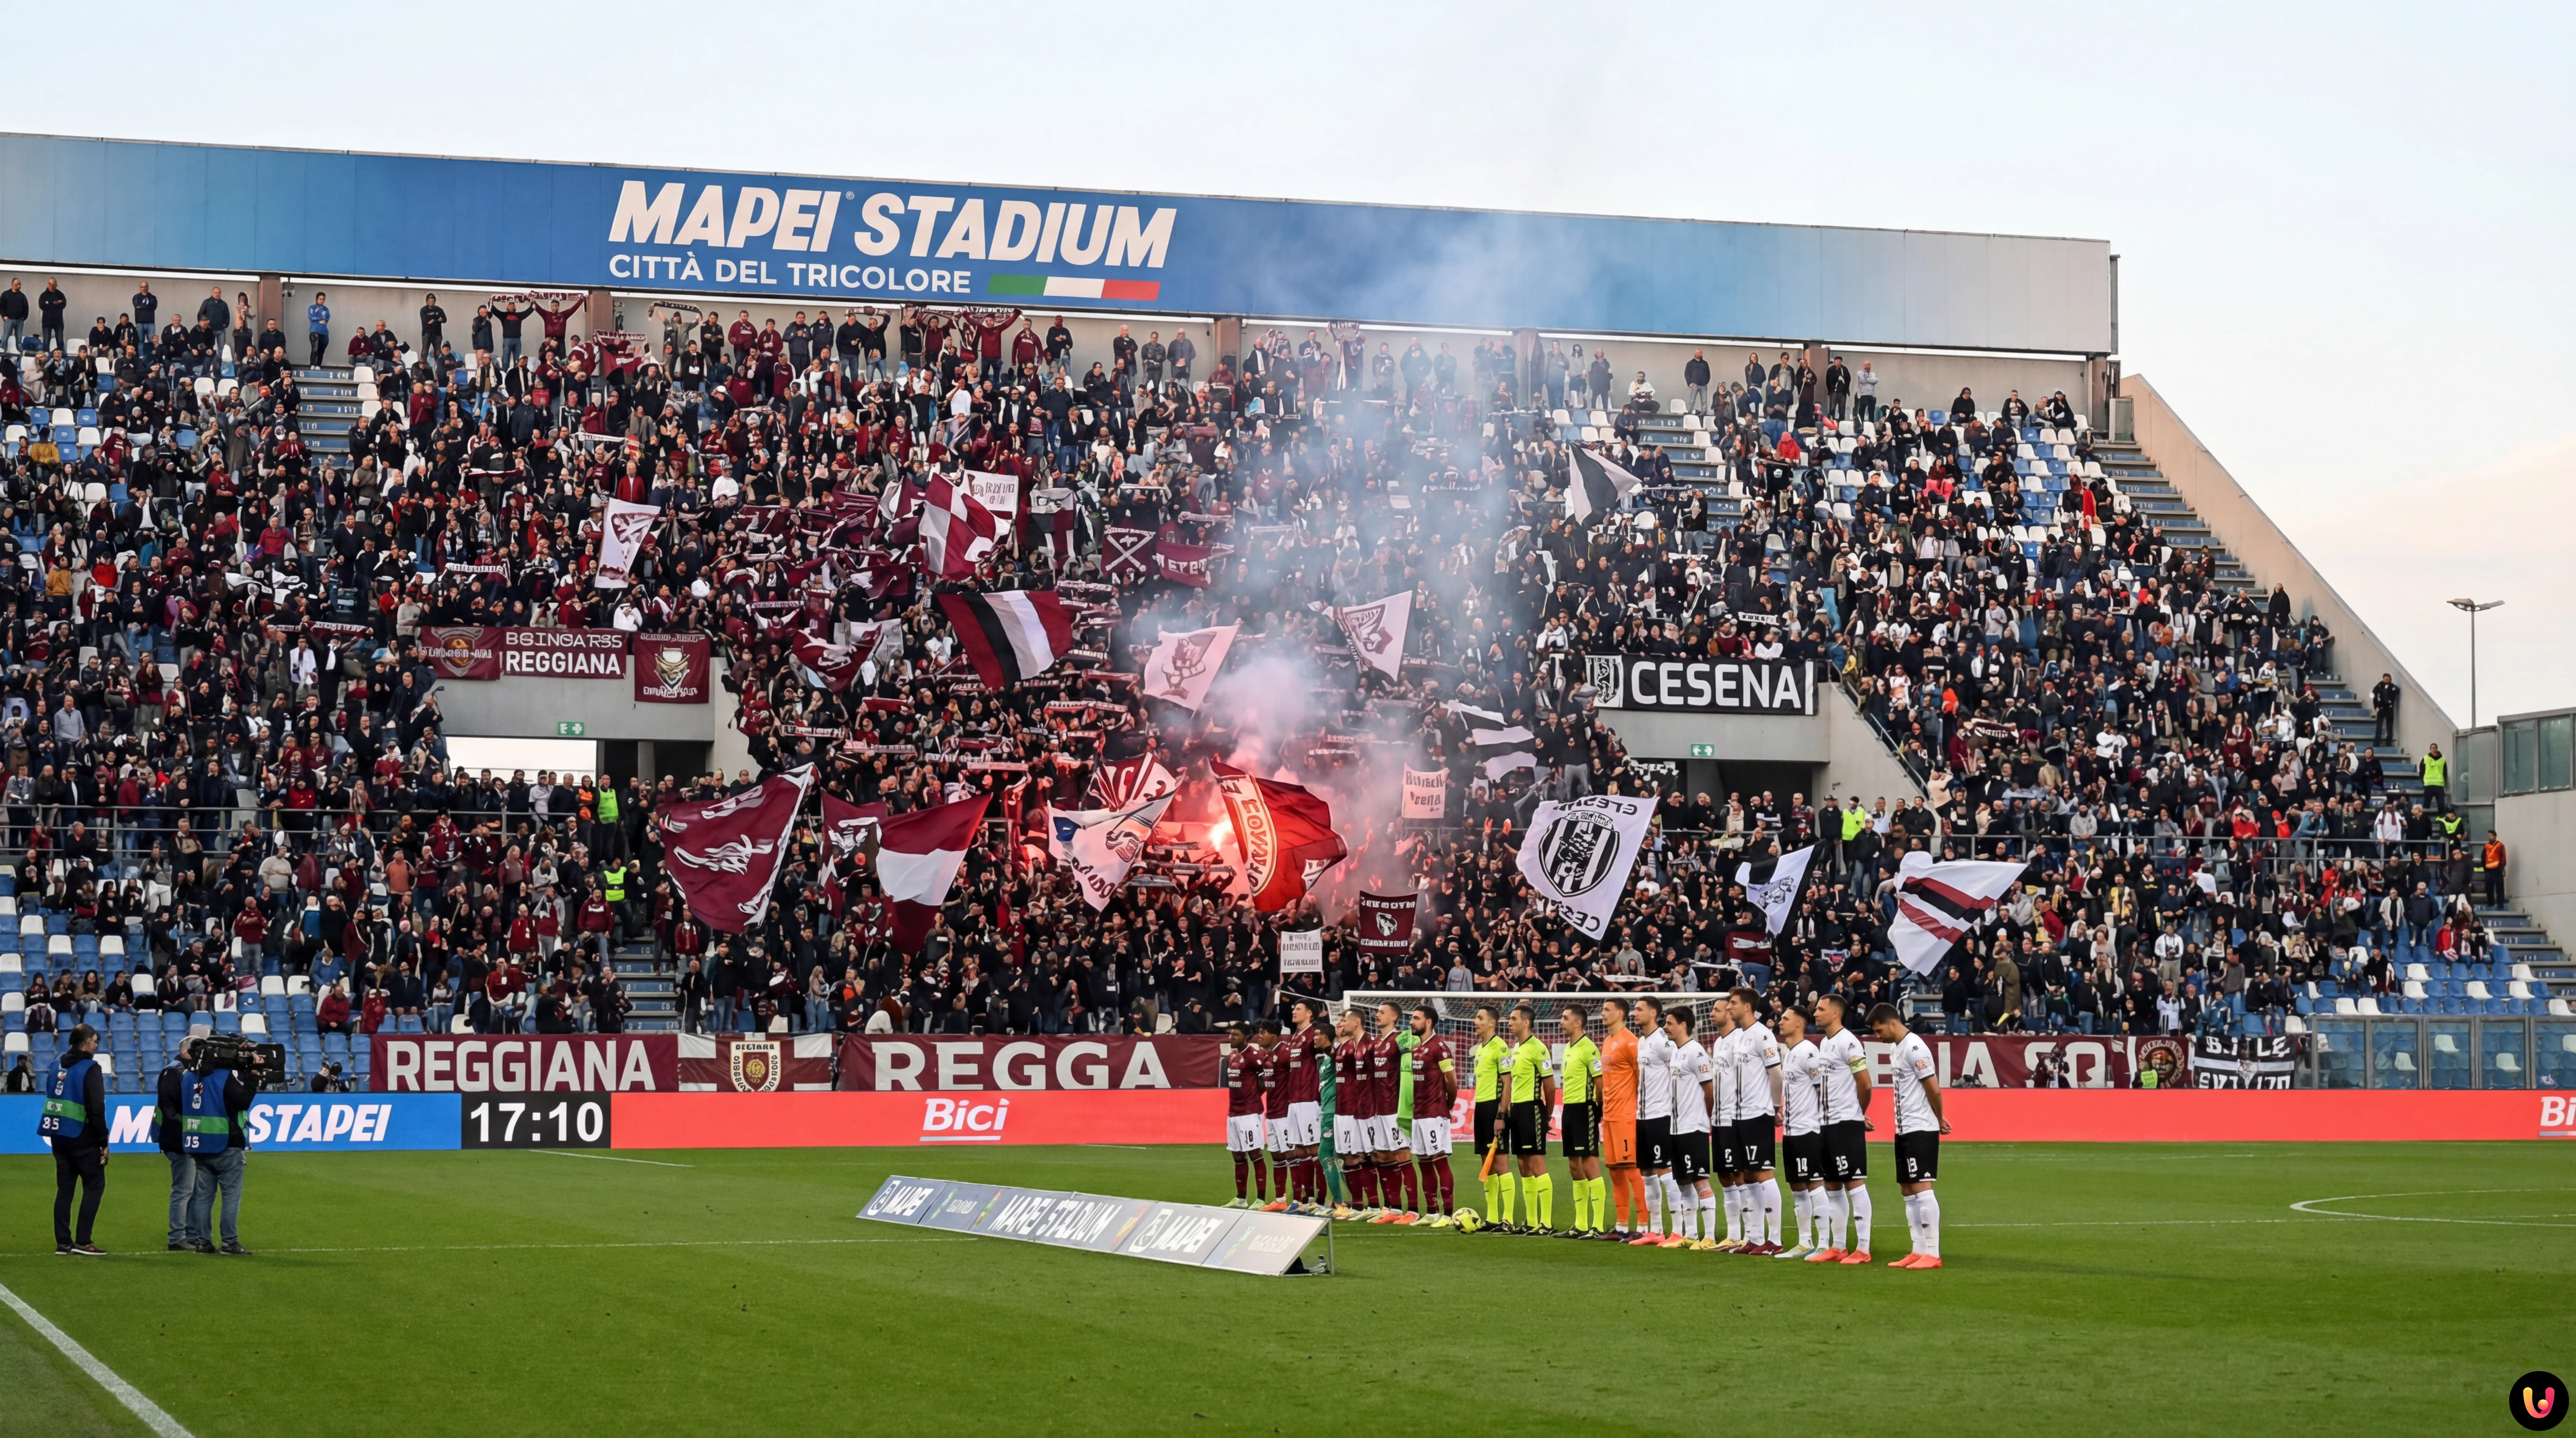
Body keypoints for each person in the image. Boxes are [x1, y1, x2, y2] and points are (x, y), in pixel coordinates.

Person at [1870, 1003, 1950, 1268]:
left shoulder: (1915, 1048)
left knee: (1922, 1186)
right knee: (1907, 1188)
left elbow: (1933, 1089)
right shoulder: (1897, 1048)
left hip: (1920, 1127)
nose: (1878, 1037)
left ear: (1892, 1023)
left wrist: (1939, 1119)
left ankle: (1933, 1253)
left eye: (1880, 1031)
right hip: (1904, 1128)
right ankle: (1918, 1249)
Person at [1808, 993, 1876, 1264]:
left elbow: (1865, 1083)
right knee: (1832, 1184)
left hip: (1845, 1122)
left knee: (1853, 1183)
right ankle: (1838, 1247)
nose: (1815, 1013)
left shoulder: (1849, 1042)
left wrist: (1858, 1113)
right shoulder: (1825, 1043)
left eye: (1821, 1009)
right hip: (1826, 1123)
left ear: (1835, 1013)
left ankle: (1864, 1249)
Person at [41, 1022, 109, 1255]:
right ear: (87, 1042)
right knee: (95, 1185)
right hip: (83, 1135)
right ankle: (83, 1241)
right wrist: (103, 1142)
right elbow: (96, 1108)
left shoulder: (55, 1064)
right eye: (96, 1041)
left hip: (58, 1135)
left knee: (65, 1190)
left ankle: (63, 1243)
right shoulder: (91, 1068)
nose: (97, 1046)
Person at [180, 1048, 256, 1255]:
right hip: (226, 1142)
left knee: (204, 1197)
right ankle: (230, 1243)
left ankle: (203, 1242)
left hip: (199, 1142)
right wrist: (253, 1077)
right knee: (231, 1196)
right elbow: (243, 1101)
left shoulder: (187, 1076)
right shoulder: (223, 1076)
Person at [1727, 988, 1785, 1254]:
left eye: (1734, 1003)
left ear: (1748, 1006)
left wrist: (1775, 1107)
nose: (1729, 1007)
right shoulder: (1740, 1036)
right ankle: (1755, 1237)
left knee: (1763, 1173)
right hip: (1740, 1114)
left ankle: (1775, 1240)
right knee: (1748, 1175)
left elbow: (1776, 1073)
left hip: (1757, 1113)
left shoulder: (1763, 1034)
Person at [1772, 1005, 1828, 1259]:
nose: (1780, 1022)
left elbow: (1822, 1090)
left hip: (1808, 1130)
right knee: (1797, 1187)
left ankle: (1824, 1243)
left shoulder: (1809, 1052)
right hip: (1791, 1131)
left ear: (1799, 1024)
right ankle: (1805, 1242)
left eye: (1786, 1018)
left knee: (1814, 1184)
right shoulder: (1791, 1052)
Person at [1661, 1007, 1717, 1249]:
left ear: (1683, 1025)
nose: (1666, 1027)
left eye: (1669, 1023)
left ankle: (1710, 1237)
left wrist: (1706, 1117)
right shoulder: (1676, 1052)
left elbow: (1709, 1090)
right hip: (1677, 1128)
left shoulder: (1696, 1052)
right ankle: (1691, 1234)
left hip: (1693, 1127)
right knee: (1683, 1182)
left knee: (1700, 1181)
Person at [1497, 1005, 1555, 1233]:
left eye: (1513, 1019)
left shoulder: (1538, 1048)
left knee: (1537, 1163)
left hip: (1532, 1109)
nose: (1509, 1022)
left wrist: (1547, 1114)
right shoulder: (1516, 1048)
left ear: (1526, 1022)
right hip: (1516, 1111)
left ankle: (1546, 1223)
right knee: (1523, 1164)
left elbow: (1550, 1086)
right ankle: (1531, 1222)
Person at [1628, 995, 1677, 1246]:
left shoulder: (1664, 1042)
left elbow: (1677, 1073)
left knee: (1665, 1171)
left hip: (1661, 1115)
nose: (1635, 1013)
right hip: (1643, 1116)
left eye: (1639, 1009)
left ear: (1653, 1013)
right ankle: (1655, 1230)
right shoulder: (1642, 1042)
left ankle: (1678, 1230)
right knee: (1647, 1173)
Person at [1403, 1004, 1457, 1221]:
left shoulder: (1440, 1047)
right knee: (1424, 1163)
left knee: (1439, 1161)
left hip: (1435, 1113)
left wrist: (1448, 1106)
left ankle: (1448, 1214)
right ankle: (1432, 1212)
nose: (1411, 1022)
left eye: (1416, 1018)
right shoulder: (1416, 1047)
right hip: (1419, 1114)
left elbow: (1451, 1081)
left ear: (1428, 1022)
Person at [1556, 1007, 1605, 1236]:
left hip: (1585, 1109)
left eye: (1566, 1018)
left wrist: (1598, 1109)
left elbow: (1600, 1083)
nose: (1561, 1022)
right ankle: (1581, 1225)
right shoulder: (1569, 1047)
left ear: (1578, 1023)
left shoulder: (1589, 1048)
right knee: (1574, 1167)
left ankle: (1598, 1226)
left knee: (1589, 1164)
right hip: (1569, 1109)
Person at [1596, 997, 1643, 1238]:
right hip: (1610, 1116)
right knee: (1615, 1172)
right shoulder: (1607, 1041)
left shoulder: (1631, 1042)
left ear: (1620, 1014)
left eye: (1607, 1010)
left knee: (1633, 1170)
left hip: (1626, 1115)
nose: (1603, 1013)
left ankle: (1644, 1226)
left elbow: (1641, 1079)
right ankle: (1622, 1226)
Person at [1367, 1003, 1417, 1220]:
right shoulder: (1376, 1043)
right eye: (1377, 1012)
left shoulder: (1400, 1040)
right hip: (1379, 1109)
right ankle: (1394, 1209)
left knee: (1402, 1156)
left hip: (1395, 1108)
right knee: (1382, 1156)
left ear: (1395, 1017)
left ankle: (1413, 1211)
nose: (1377, 1015)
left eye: (1382, 1012)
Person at [158, 1037, 202, 1251]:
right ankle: (177, 1237)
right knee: (183, 1190)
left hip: (187, 1139)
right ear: (187, 1053)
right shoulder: (175, 1072)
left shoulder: (181, 1072)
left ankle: (191, 1235)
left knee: (193, 1190)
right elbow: (169, 1107)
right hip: (179, 1140)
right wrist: (186, 1127)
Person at [1466, 1005, 1507, 1226]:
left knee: (1500, 1162)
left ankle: (1508, 1218)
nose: (1476, 1021)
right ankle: (1492, 1218)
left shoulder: (1500, 1047)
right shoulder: (1481, 1049)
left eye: (1480, 1018)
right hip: (1481, 1107)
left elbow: (1508, 1083)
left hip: (1494, 1108)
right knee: (1487, 1162)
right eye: (1476, 1017)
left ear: (1492, 1023)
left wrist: (1501, 1114)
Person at [1221, 1023, 1270, 1208]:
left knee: (1255, 1154)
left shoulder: (1255, 1057)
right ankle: (1241, 1198)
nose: (1231, 1037)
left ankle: (1261, 1199)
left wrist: (1254, 1096)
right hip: (1233, 1112)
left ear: (1247, 1037)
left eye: (1236, 1034)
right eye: (1231, 1034)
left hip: (1249, 1113)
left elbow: (1266, 1080)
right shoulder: (1232, 1057)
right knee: (1238, 1156)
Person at [2371, 674, 2400, 746]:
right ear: (2383, 679)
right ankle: (2377, 742)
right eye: (2386, 679)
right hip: (2381, 708)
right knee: (2379, 726)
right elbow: (2375, 697)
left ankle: (2389, 743)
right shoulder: (2379, 686)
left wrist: (2392, 690)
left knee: (2389, 726)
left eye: (2388, 679)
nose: (2387, 680)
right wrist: (2376, 707)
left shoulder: (2392, 686)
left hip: (2389, 709)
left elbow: (2397, 691)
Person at [2484, 832, 2509, 907]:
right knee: (2489, 888)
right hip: (2489, 870)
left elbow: (2503, 856)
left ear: (2495, 836)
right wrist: (2485, 867)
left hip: (2498, 869)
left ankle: (2500, 905)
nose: (2489, 837)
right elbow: (2483, 857)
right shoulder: (2486, 846)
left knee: (2500, 888)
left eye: (2490, 835)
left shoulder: (2500, 845)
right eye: (2488, 836)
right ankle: (2491, 904)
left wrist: (2502, 867)